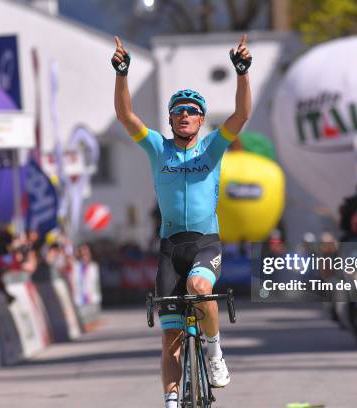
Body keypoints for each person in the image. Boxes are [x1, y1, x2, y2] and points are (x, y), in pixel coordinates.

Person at [112, 34, 252, 408]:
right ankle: (172, 401)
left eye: (192, 111)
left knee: (200, 286)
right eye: (179, 111)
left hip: (205, 242)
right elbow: (126, 117)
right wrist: (122, 74)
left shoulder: (213, 146)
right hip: (170, 247)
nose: (185, 115)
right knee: (170, 337)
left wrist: (242, 73)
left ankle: (214, 351)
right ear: (171, 118)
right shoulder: (158, 147)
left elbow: (241, 116)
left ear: (202, 119)